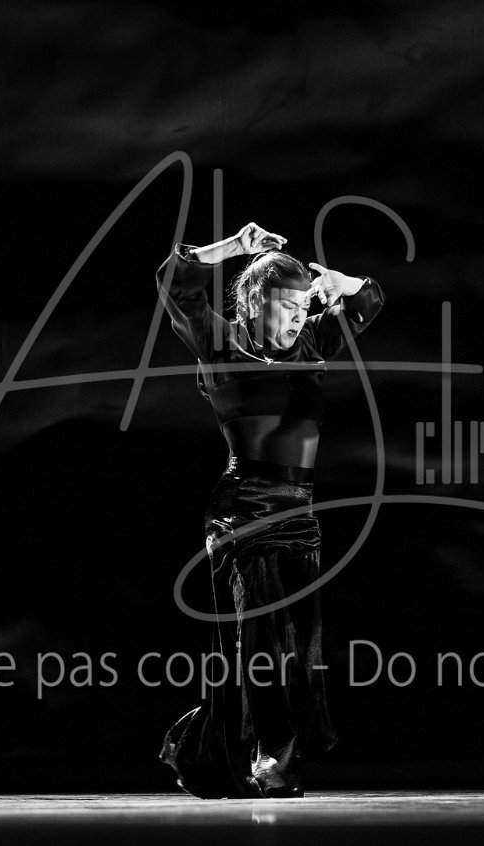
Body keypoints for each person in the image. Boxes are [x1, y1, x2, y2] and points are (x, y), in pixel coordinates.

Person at [155, 222, 384, 798]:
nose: (300, 318)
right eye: (288, 307)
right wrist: (233, 248)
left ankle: (227, 751)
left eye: (306, 308)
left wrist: (341, 283)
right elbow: (175, 282)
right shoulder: (220, 344)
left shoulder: (312, 346)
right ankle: (270, 760)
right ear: (256, 303)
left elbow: (368, 301)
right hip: (243, 515)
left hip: (299, 517)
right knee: (262, 641)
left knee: (298, 649)